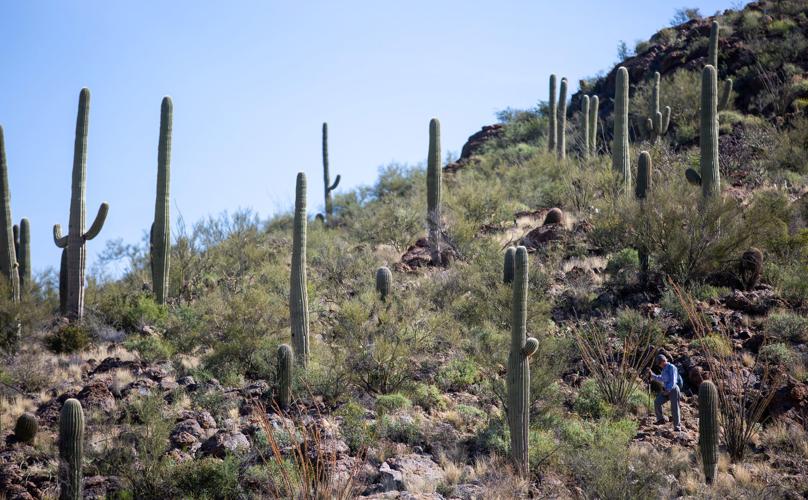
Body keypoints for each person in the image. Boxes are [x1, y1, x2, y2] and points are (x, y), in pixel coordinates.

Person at [648, 353, 681, 431]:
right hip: (666, 390)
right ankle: (660, 419)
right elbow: (662, 378)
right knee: (657, 402)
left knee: (674, 408)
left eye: (659, 363)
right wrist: (652, 375)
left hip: (673, 390)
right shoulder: (664, 369)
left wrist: (668, 390)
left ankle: (677, 427)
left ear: (663, 361)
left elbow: (673, 380)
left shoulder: (671, 367)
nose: (659, 365)